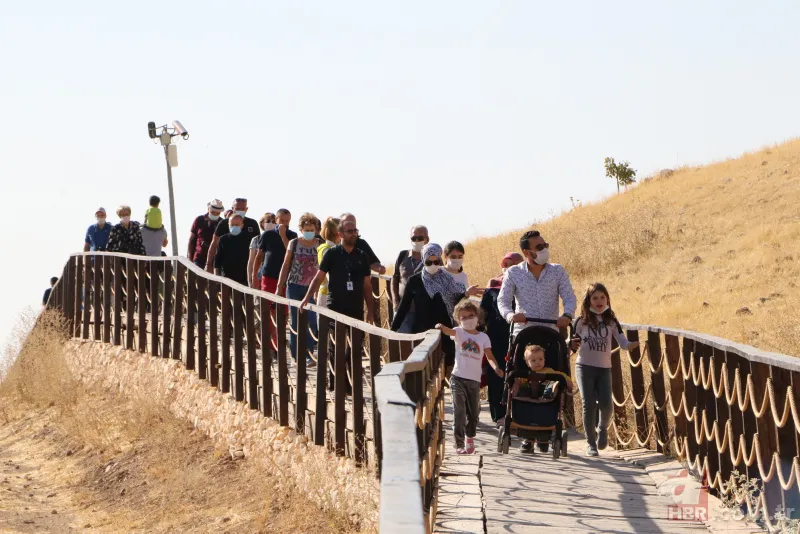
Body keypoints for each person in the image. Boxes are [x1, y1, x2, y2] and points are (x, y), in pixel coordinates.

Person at [498, 230, 576, 452]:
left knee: (549, 380)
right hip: (524, 334)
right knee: (523, 382)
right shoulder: (514, 273)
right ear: (527, 252)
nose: (544, 250)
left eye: (545, 245)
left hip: (550, 334)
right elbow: (503, 301)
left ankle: (546, 430)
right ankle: (526, 432)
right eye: (539, 247)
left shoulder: (557, 271)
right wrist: (510, 315)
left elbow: (569, 297)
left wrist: (567, 315)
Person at [299, 219, 376, 392]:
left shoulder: (362, 256)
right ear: (340, 234)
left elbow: (367, 285)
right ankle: (334, 384)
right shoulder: (332, 254)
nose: (354, 234)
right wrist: (307, 297)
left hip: (355, 308)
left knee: (355, 348)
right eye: (349, 231)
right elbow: (319, 277)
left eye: (355, 230)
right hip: (335, 307)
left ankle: (350, 386)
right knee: (336, 347)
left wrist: (371, 311)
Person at [573, 282, 638, 457]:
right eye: (595, 298)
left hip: (604, 368)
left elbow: (622, 341)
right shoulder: (581, 321)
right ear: (588, 301)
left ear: (608, 299)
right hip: (584, 367)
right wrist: (569, 344)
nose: (599, 301)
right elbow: (573, 342)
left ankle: (602, 428)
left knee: (606, 404)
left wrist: (630, 345)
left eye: (602, 297)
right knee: (588, 404)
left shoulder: (611, 321)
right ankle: (590, 443)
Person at [435, 299, 503, 455]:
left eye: (470, 316)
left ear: (477, 317)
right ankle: (459, 443)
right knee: (459, 410)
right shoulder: (459, 332)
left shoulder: (483, 338)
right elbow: (449, 332)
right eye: (463, 317)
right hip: (457, 377)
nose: (467, 319)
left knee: (473, 413)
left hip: (474, 381)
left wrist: (496, 368)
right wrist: (441, 327)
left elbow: (490, 356)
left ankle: (469, 437)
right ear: (459, 320)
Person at [390, 243, 465, 370]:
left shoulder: (446, 278)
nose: (433, 265)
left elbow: (456, 298)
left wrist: (466, 294)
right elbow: (404, 306)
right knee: (423, 368)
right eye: (429, 262)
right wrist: (393, 330)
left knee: (446, 366)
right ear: (424, 261)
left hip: (444, 329)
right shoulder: (414, 281)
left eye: (436, 262)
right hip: (422, 330)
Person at [480, 251, 525, 423]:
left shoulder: (526, 284)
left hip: (519, 334)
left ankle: (519, 413)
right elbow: (484, 310)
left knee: (518, 372)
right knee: (496, 372)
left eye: (511, 265)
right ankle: (498, 414)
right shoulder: (493, 284)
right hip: (495, 336)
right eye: (505, 265)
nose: (507, 269)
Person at [277, 213, 320, 365]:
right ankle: (295, 355)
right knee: (295, 321)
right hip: (294, 285)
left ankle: (308, 354)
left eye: (312, 229)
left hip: (312, 287)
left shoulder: (319, 244)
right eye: (306, 229)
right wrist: (279, 286)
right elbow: (286, 264)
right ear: (301, 229)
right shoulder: (294, 243)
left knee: (311, 322)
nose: (309, 232)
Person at [205, 198, 260, 273]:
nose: (240, 211)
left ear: (246, 209)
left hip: (246, 268)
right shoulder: (223, 224)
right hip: (225, 268)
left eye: (242, 209)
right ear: (232, 208)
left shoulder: (252, 224)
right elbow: (214, 243)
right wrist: (208, 264)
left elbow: (258, 247)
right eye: (237, 208)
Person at [391, 225, 429, 333]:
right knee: (402, 342)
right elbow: (394, 279)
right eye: (413, 238)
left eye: (420, 238)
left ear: (427, 239)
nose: (416, 241)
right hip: (403, 309)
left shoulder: (433, 258)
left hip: (424, 311)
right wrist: (395, 301)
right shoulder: (402, 255)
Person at [252, 208, 296, 293]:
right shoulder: (267, 234)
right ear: (276, 220)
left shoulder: (293, 235)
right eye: (282, 220)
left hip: (285, 276)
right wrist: (254, 276)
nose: (285, 223)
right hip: (268, 275)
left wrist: (283, 236)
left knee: (283, 305)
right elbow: (259, 256)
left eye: (287, 221)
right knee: (267, 303)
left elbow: (291, 252)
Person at [213, 213, 251, 286]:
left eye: (237, 225)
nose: (234, 227)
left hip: (243, 277)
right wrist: (216, 274)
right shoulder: (223, 239)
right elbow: (218, 258)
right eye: (232, 225)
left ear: (242, 225)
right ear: (228, 225)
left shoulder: (248, 239)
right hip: (226, 277)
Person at [188, 199, 224, 268]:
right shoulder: (199, 220)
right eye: (213, 212)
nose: (215, 214)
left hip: (215, 259)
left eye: (217, 213)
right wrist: (189, 258)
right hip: (198, 258)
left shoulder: (222, 223)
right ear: (208, 209)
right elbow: (191, 240)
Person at [316, 216, 341, 310]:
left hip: (326, 292)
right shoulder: (328, 250)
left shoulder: (325, 247)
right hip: (329, 295)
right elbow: (330, 275)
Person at [248, 213, 275, 288]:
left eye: (273, 222)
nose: (271, 223)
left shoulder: (279, 239)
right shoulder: (256, 239)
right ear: (262, 223)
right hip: (258, 277)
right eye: (268, 221)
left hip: (272, 277)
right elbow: (251, 261)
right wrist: (250, 279)